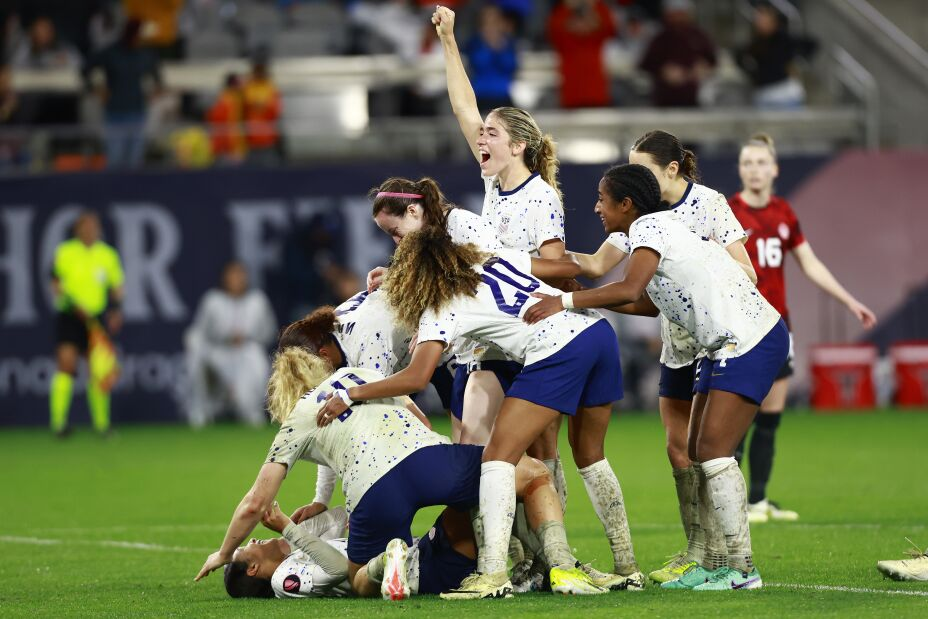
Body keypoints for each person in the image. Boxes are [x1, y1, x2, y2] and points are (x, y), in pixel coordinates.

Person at [317, 228, 641, 596]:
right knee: (590, 457)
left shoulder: (441, 305)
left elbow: (417, 377)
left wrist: (352, 393)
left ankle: (493, 574)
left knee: (496, 460)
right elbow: (557, 270)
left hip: (558, 347)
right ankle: (626, 567)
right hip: (597, 331)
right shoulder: (486, 258)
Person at [525, 162, 789, 591]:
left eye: (601, 199)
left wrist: (566, 302)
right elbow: (648, 304)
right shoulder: (655, 229)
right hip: (729, 339)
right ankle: (716, 562)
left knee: (714, 451)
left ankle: (742, 570)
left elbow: (630, 290)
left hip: (748, 336)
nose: (596, 208)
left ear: (626, 204)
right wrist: (581, 297)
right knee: (698, 449)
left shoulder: (648, 228)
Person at [195, 331, 598, 599]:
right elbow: (419, 417)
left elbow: (254, 502)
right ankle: (561, 566)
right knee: (528, 474)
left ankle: (390, 562)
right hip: (427, 455)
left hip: (374, 489)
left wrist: (223, 551)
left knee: (357, 579)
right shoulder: (355, 375)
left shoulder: (299, 415)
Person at [567, 129, 755, 585]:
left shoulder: (707, 204)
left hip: (715, 338)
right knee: (678, 449)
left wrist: (696, 261)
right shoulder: (639, 213)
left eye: (645, 167)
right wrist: (520, 264)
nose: (635, 175)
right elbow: (594, 266)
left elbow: (747, 271)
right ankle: (696, 549)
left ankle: (721, 554)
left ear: (672, 169)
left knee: (710, 450)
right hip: (675, 343)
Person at [433, 5, 571, 536]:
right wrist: (449, 40)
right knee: (482, 450)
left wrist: (503, 263)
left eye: (490, 133)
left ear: (517, 145)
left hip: (532, 333)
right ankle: (512, 555)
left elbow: (557, 270)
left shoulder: (541, 199)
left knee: (540, 452)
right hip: (490, 336)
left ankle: (551, 553)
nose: (479, 138)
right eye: (481, 134)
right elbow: (464, 106)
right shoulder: (495, 182)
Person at [729, 133, 876, 522]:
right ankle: (733, 505)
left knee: (770, 419)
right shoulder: (727, 212)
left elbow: (810, 263)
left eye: (761, 162)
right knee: (738, 418)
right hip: (741, 329)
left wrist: (849, 300)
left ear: (774, 169)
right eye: (747, 163)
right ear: (740, 169)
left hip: (779, 329)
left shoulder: (783, 214)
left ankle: (758, 501)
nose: (754, 170)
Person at [364, 176, 508, 446]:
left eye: (395, 231)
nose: (396, 241)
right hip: (468, 353)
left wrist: (436, 328)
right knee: (469, 454)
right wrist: (398, 276)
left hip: (501, 349)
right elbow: (443, 279)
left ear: (413, 211)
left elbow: (495, 281)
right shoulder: (424, 244)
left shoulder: (462, 224)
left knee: (496, 454)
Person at [49, 211, 124, 436]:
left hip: (96, 318)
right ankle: (59, 424)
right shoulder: (65, 252)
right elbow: (55, 283)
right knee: (66, 364)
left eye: (93, 226)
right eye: (85, 226)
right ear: (77, 229)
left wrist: (116, 310)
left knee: (97, 370)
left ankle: (102, 426)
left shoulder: (107, 254)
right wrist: (73, 304)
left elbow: (117, 286)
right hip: (70, 316)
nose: (89, 230)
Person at [184, 261, 277, 427]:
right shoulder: (212, 300)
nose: (236, 279)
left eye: (239, 275)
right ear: (224, 278)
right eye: (231, 275)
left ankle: (251, 412)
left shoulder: (258, 300)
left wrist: (247, 337)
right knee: (195, 350)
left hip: (246, 353)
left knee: (246, 399)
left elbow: (269, 332)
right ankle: (199, 412)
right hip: (219, 352)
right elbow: (197, 333)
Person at [81, 19, 163, 169]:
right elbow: (85, 69)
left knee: (134, 162)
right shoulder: (111, 53)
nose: (140, 40)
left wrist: (155, 92)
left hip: (137, 112)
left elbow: (157, 74)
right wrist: (96, 89)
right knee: (115, 160)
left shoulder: (144, 53)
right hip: (115, 113)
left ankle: (133, 192)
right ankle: (113, 192)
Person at [638, 0, 716, 107]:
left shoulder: (699, 36)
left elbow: (712, 61)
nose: (678, 18)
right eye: (674, 13)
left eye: (681, 13)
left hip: (695, 99)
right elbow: (645, 64)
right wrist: (663, 71)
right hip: (665, 100)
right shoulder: (660, 38)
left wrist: (702, 68)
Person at [735, 3, 812, 109]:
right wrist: (752, 72)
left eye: (764, 19)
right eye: (759, 19)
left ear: (773, 21)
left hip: (785, 93)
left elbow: (810, 45)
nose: (760, 22)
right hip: (763, 94)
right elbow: (740, 56)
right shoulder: (755, 42)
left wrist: (798, 62)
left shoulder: (783, 39)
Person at [547, 0, 617, 109]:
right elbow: (553, 29)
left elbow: (610, 26)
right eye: (577, 19)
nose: (582, 23)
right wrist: (567, 7)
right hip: (571, 96)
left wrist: (593, 5)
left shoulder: (596, 38)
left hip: (596, 94)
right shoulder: (565, 37)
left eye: (585, 19)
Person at [464, 4, 517, 111]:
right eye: (487, 23)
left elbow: (511, 65)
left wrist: (499, 46)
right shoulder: (474, 43)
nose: (491, 27)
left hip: (503, 96)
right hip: (480, 96)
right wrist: (487, 45)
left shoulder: (508, 43)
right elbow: (477, 64)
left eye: (494, 22)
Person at [242, 49, 283, 166]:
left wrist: (260, 106)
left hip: (268, 142)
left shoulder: (271, 88)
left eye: (261, 68)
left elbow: (275, 112)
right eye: (257, 68)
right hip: (250, 142)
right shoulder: (247, 87)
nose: (259, 71)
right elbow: (242, 109)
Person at [206, 73, 246, 164]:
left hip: (234, 142)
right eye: (239, 83)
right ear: (233, 85)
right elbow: (221, 123)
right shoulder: (226, 100)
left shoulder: (236, 98)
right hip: (228, 145)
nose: (242, 86)